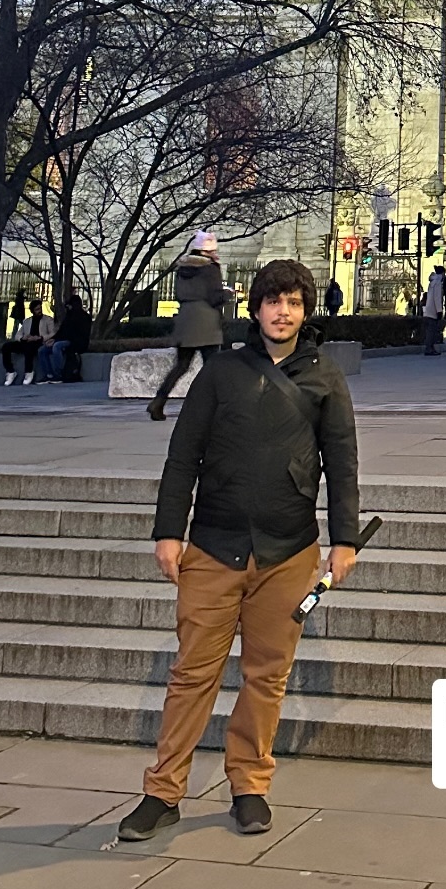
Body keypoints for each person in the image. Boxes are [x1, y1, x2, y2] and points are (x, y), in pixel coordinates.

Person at [116, 258, 361, 843]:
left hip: (289, 552)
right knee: (191, 675)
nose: (283, 312)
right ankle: (163, 792)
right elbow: (183, 457)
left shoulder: (325, 378)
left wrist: (345, 539)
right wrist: (168, 531)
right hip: (214, 546)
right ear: (254, 308)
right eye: (273, 300)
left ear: (306, 311)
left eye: (295, 303)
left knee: (266, 676)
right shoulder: (220, 374)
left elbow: (342, 461)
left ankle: (250, 784)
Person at [148, 232, 227, 422]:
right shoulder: (210, 268)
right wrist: (227, 295)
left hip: (185, 318)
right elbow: (215, 295)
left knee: (181, 365)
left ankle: (158, 401)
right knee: (214, 366)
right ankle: (216, 407)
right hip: (206, 319)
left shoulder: (182, 267)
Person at [422, 263, 445, 356]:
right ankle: (429, 348)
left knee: (430, 331)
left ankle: (430, 348)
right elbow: (437, 297)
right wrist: (439, 310)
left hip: (429, 309)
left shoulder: (432, 281)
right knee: (432, 331)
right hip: (433, 310)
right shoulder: (438, 283)